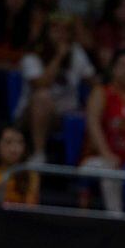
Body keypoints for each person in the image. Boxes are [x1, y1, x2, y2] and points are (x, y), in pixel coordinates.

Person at [17, 13, 96, 162]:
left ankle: (81, 162)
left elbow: (94, 82)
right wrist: (58, 57)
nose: (61, 35)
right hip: (31, 114)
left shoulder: (76, 52)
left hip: (64, 114)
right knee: (43, 97)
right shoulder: (32, 55)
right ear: (46, 32)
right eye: (56, 30)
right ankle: (39, 153)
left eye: (65, 30)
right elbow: (41, 84)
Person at [82, 49, 125, 212]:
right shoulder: (101, 93)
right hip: (98, 160)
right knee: (110, 169)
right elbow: (93, 125)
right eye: (122, 65)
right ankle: (115, 216)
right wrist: (106, 154)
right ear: (113, 69)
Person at [0, 125, 38, 204]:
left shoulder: (30, 175)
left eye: (20, 142)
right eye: (8, 142)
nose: (14, 149)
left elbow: (30, 209)